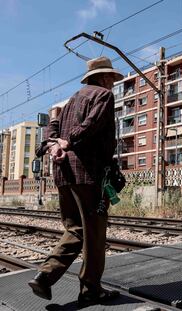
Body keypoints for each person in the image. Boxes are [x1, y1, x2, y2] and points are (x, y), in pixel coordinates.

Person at [28, 56, 123, 306]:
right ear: (103, 77)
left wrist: (52, 143)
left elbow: (53, 123)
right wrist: (68, 141)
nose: (112, 83)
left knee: (75, 229)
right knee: (94, 233)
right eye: (111, 78)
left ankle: (45, 276)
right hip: (87, 172)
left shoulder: (72, 100)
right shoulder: (103, 95)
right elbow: (92, 123)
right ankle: (91, 290)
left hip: (63, 173)